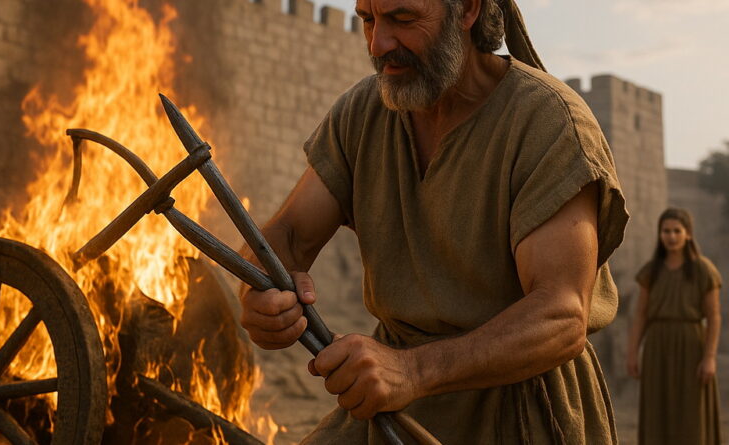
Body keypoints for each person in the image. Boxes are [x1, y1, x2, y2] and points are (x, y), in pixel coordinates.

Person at [238, 0, 629, 442]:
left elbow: (560, 317)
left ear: (466, 11)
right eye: (368, 20)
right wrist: (262, 285)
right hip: (392, 405)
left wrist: (414, 370)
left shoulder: (548, 121)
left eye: (402, 20)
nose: (379, 43)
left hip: (521, 412)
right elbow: (288, 233)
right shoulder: (363, 112)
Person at [626, 208, 722, 444]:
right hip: (657, 346)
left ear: (688, 234)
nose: (671, 236)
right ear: (660, 234)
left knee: (691, 411)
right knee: (658, 408)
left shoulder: (703, 269)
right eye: (666, 231)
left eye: (677, 231)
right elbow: (641, 314)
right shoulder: (652, 271)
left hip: (691, 345)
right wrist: (632, 353)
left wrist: (709, 357)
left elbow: (714, 316)